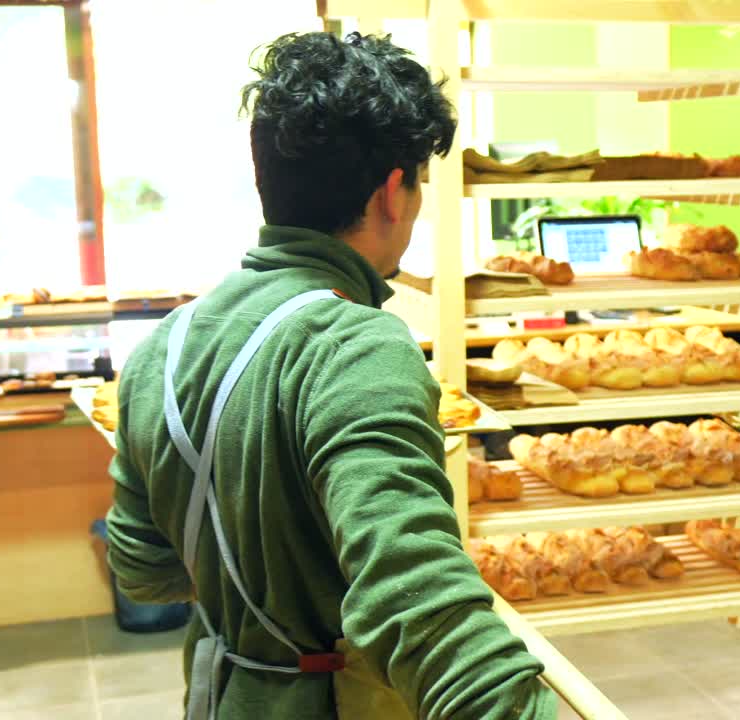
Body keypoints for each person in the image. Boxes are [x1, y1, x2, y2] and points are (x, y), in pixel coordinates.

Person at [104, 31, 558, 720]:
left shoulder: (160, 348)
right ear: (393, 193)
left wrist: (258, 578)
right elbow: (415, 598)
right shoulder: (356, 346)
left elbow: (143, 570)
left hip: (220, 695)